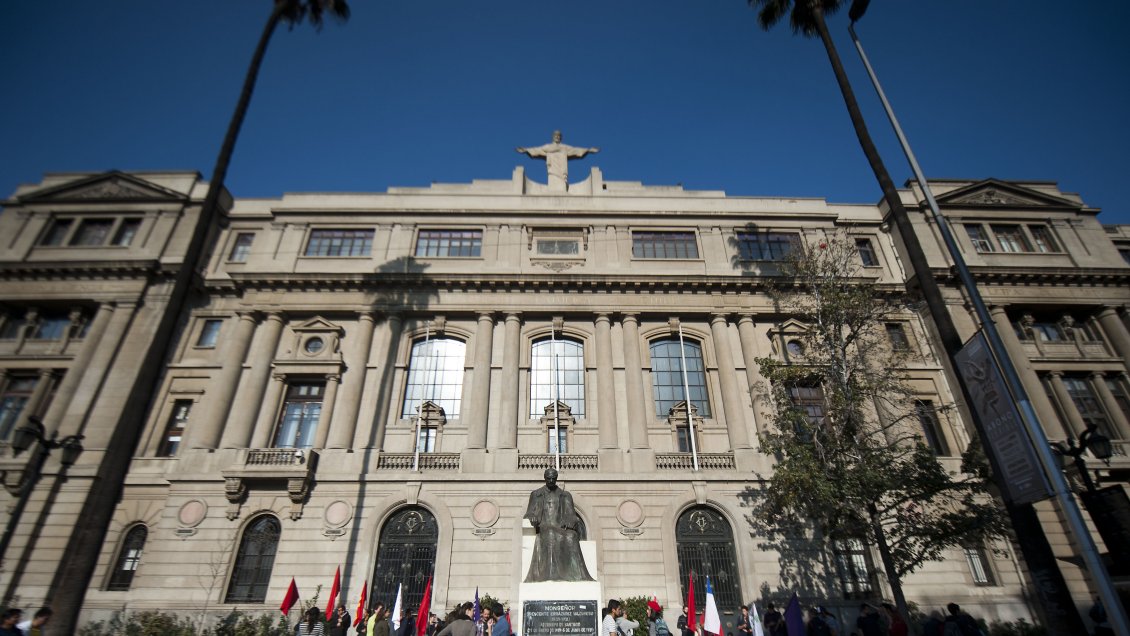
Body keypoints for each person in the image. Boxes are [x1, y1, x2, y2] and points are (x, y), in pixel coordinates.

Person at [524, 468, 593, 582]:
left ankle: (578, 575)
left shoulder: (565, 495)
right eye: (549, 478)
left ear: (556, 479)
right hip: (544, 526)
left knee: (572, 536)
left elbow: (571, 514)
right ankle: (551, 574)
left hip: (561, 527)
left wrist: (570, 520)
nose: (551, 481)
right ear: (545, 478)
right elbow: (529, 512)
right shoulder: (536, 494)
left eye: (553, 478)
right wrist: (532, 516)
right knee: (551, 534)